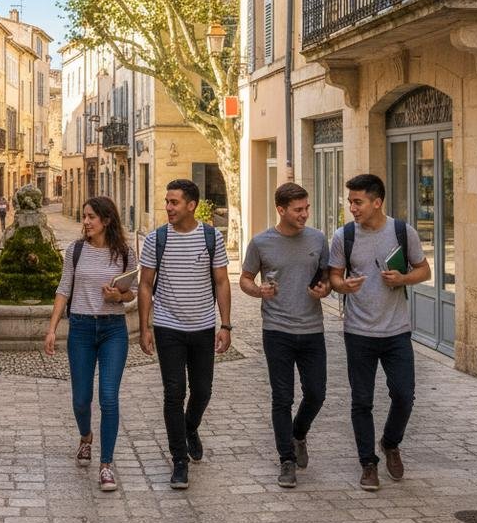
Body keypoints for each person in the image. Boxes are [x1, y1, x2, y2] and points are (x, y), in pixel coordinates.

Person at [328, 173, 431, 491]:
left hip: (397, 331)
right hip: (358, 331)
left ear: (377, 202)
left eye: (358, 202)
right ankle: (368, 465)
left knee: (404, 395)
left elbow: (423, 269)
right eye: (350, 202)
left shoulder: (403, 231)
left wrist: (403, 279)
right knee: (361, 401)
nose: (352, 208)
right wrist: (342, 285)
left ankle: (390, 442)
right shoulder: (344, 236)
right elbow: (334, 276)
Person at [138, 178, 231, 490]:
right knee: (173, 393)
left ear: (191, 205)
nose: (168, 207)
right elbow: (145, 284)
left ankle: (190, 428)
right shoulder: (156, 240)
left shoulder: (211, 237)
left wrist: (226, 324)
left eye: (174, 202)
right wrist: (145, 327)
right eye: (167, 201)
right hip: (168, 328)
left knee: (203, 391)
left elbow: (221, 281)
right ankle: (179, 459)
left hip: (203, 326)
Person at [240, 183, 330, 489]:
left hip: (312, 329)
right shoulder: (261, 243)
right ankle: (286, 460)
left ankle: (299, 433)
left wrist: (324, 289)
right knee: (282, 397)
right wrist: (259, 291)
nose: (305, 214)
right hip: (277, 330)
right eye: (298, 210)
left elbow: (326, 279)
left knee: (317, 393)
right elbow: (245, 280)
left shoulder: (318, 239)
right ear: (281, 210)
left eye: (306, 208)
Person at [44, 196, 134, 493]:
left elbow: (131, 292)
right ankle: (85, 437)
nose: (85, 221)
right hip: (81, 328)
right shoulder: (76, 250)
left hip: (113, 330)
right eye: (84, 216)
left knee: (109, 397)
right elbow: (63, 288)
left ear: (106, 220)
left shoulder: (124, 252)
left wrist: (117, 297)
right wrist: (52, 327)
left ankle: (106, 465)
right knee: (81, 399)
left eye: (91, 217)